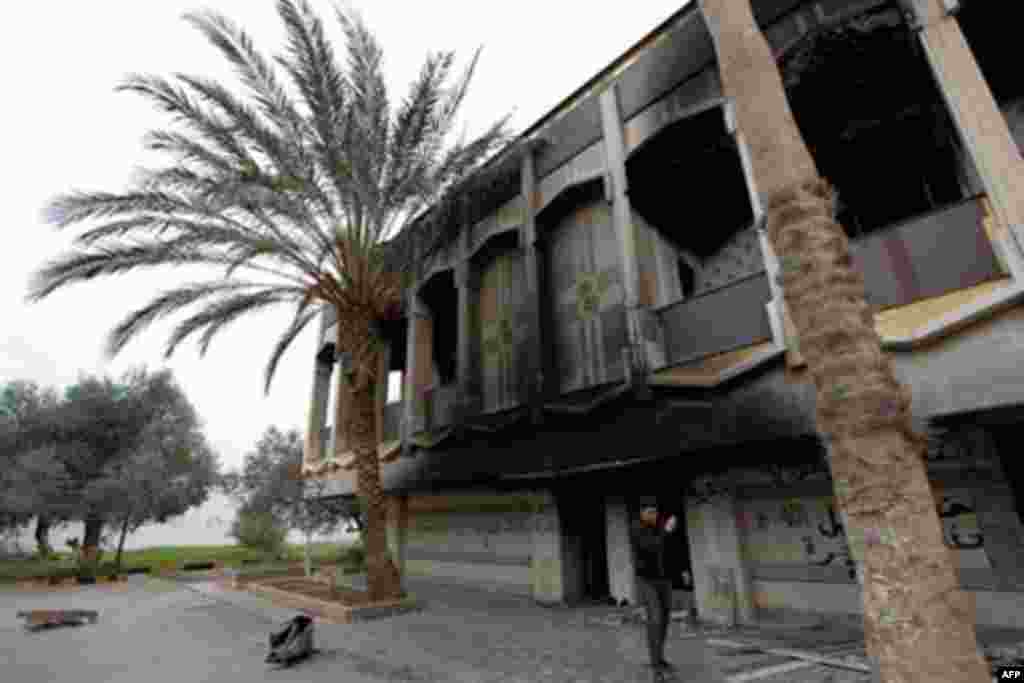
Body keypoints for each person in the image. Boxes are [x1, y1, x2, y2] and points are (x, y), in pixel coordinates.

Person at [631, 498, 678, 676]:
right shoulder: (637, 529)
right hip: (647, 580)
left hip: (664, 579)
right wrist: (666, 531)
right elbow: (650, 547)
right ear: (642, 513)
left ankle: (659, 657)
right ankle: (655, 662)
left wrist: (681, 570)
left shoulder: (659, 527)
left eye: (655, 512)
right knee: (655, 619)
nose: (653, 515)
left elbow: (670, 549)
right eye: (649, 512)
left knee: (665, 620)